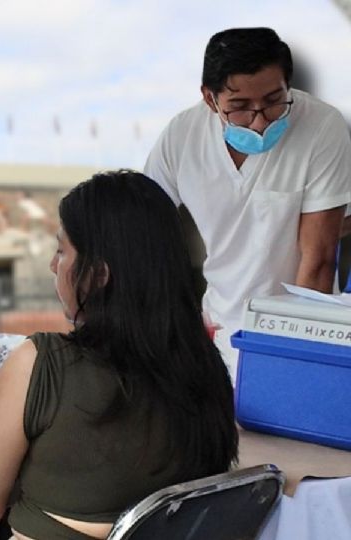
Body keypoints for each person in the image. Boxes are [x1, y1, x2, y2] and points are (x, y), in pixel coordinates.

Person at [0, 171, 239, 540]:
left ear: (97, 275)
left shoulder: (44, 363)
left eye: (62, 250)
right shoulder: (208, 369)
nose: (53, 265)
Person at [144, 27, 351, 380]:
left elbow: (317, 261)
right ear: (210, 100)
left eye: (274, 101)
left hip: (297, 332)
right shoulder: (182, 136)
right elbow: (139, 221)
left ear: (288, 84)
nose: (259, 121)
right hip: (217, 327)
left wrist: (288, 364)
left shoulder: (322, 127)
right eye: (239, 107)